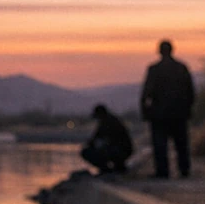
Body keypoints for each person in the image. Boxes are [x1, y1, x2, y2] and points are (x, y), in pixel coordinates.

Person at [141, 39, 195, 178]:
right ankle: (184, 170)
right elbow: (190, 92)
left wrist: (145, 112)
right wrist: (188, 109)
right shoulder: (181, 67)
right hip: (178, 113)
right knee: (181, 144)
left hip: (160, 114)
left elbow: (146, 92)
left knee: (160, 145)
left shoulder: (154, 69)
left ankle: (163, 172)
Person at [80, 104, 134, 174]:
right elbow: (96, 138)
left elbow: (105, 139)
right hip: (120, 149)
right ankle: (114, 168)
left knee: (90, 152)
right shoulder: (106, 121)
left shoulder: (109, 122)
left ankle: (111, 169)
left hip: (121, 150)